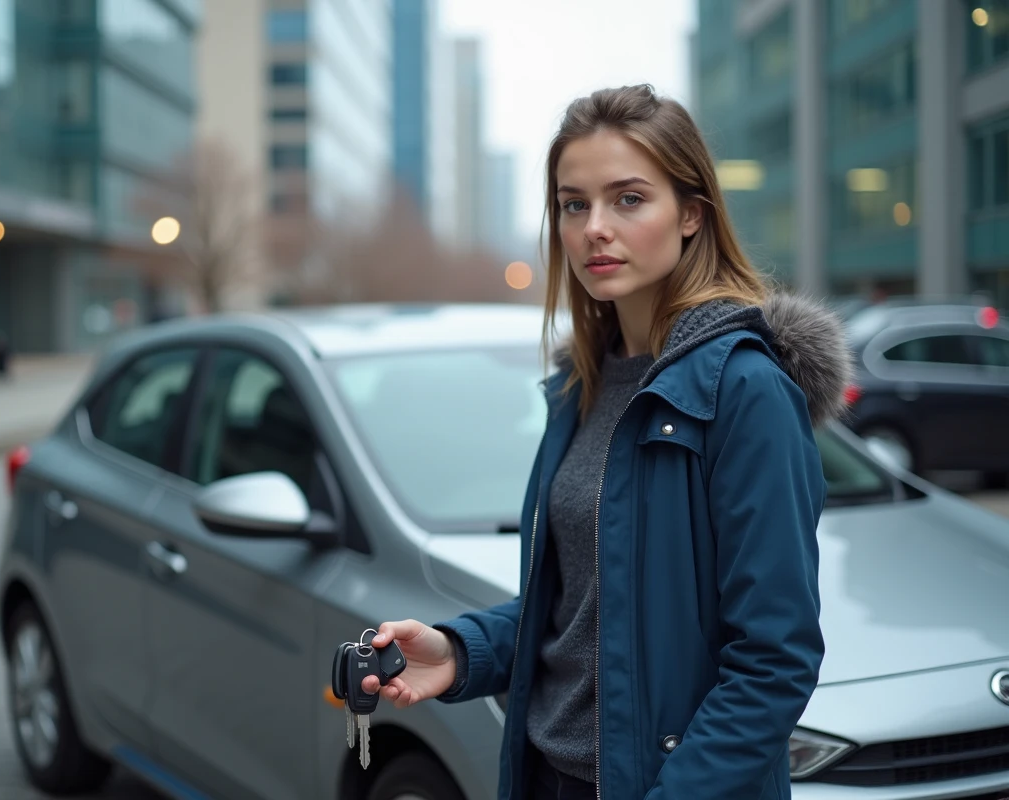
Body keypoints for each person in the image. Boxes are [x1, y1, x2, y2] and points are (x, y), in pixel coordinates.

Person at [360, 84, 852, 800]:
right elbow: (586, 608)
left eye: (628, 199)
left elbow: (775, 662)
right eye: (573, 204)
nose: (595, 228)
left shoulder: (745, 391)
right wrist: (460, 652)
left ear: (691, 213)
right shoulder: (583, 386)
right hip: (547, 777)